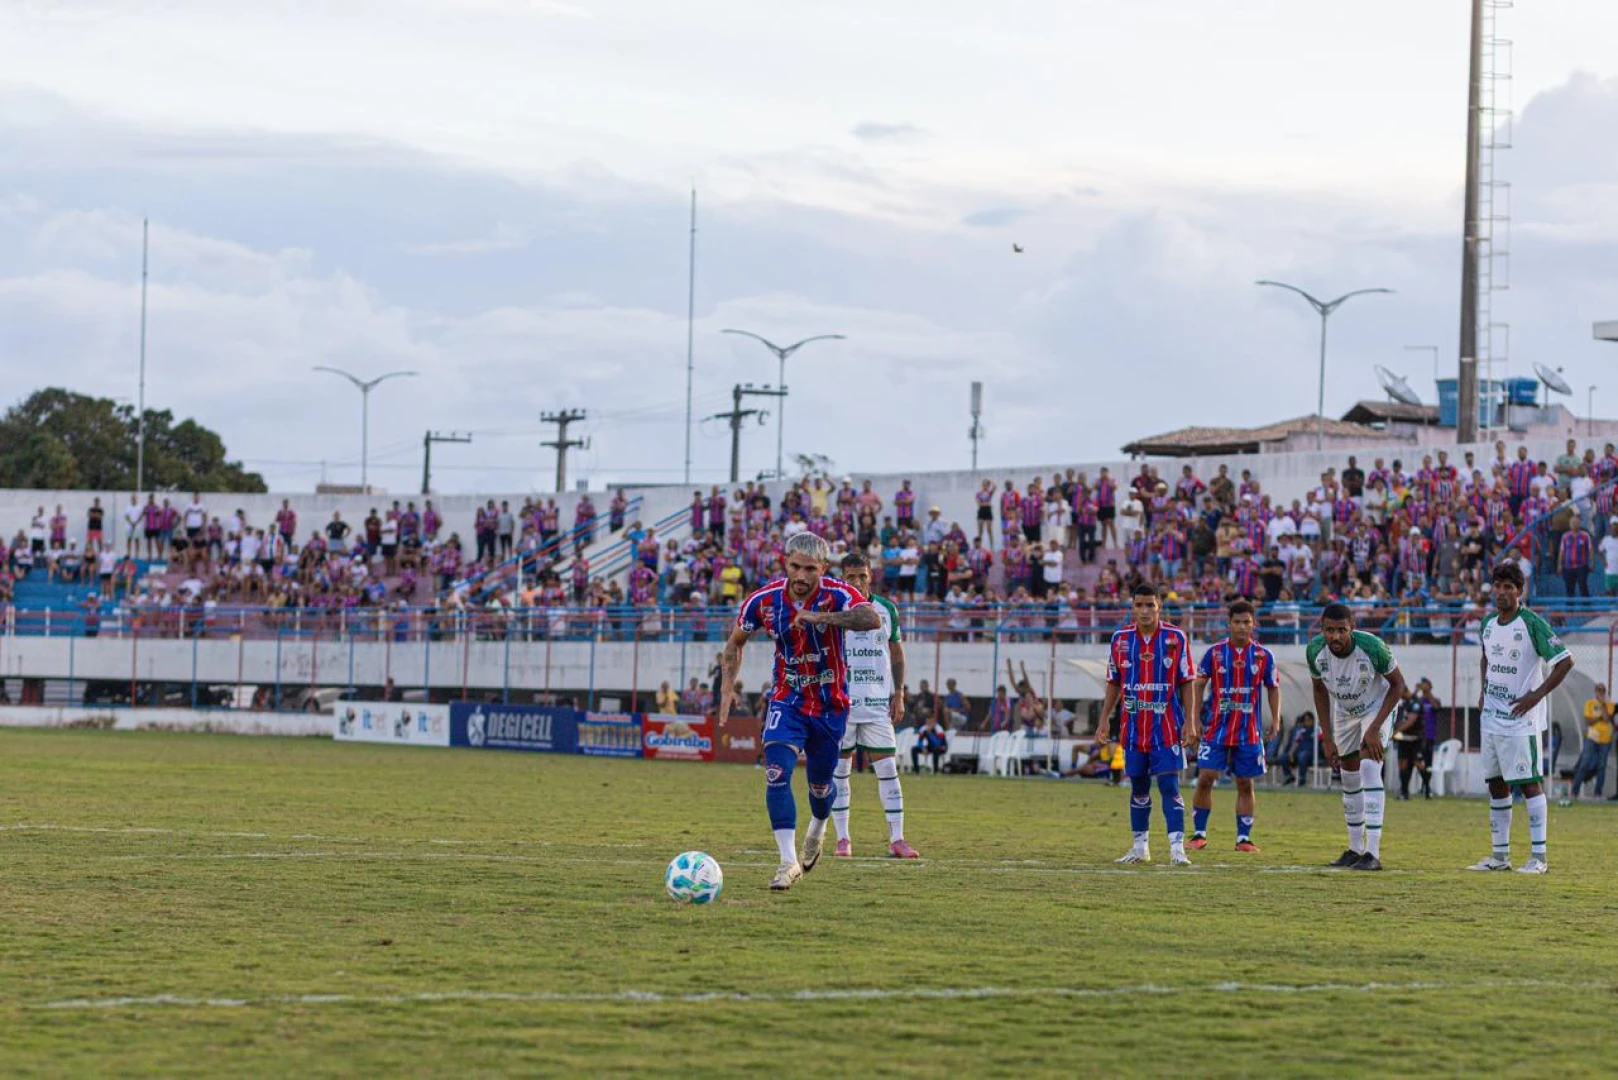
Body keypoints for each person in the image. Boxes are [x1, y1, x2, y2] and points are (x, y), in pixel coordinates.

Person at [719, 531, 879, 891]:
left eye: (810, 569)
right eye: (795, 567)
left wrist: (822, 618)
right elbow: (735, 643)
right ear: (784, 563)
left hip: (830, 706)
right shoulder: (763, 601)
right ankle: (787, 862)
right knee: (776, 773)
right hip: (787, 698)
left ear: (823, 567)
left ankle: (818, 829)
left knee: (820, 789)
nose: (802, 576)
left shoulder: (838, 593)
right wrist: (728, 688)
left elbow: (871, 619)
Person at [1466, 561, 1573, 874]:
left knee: (1529, 784)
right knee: (1496, 784)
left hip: (1520, 720)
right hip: (1491, 717)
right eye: (1497, 586)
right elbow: (1485, 657)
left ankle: (1539, 858)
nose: (1501, 592)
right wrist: (1484, 690)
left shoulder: (1532, 623)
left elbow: (1565, 662)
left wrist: (1535, 696)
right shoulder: (1487, 623)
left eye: (1508, 587)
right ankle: (1500, 857)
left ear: (1519, 591)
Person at [1094, 584, 1198, 866]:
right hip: (1133, 728)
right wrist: (1104, 720)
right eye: (1139, 605)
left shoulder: (1176, 638)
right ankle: (1140, 847)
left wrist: (1190, 722)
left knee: (1168, 784)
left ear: (1159, 606)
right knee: (1138, 786)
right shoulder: (1120, 639)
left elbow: (1187, 682)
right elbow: (1114, 682)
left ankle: (1177, 848)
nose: (1144, 610)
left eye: (1150, 605)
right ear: (1132, 607)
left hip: (1166, 727)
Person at [830, 552, 919, 859]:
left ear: (871, 577)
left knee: (889, 770)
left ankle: (897, 839)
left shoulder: (886, 609)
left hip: (878, 704)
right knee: (840, 773)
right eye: (850, 577)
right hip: (841, 705)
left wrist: (899, 693)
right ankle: (843, 838)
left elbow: (897, 654)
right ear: (842, 578)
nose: (856, 582)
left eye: (862, 576)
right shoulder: (834, 608)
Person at [1308, 603, 1408, 871]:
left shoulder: (1372, 647)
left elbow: (1398, 684)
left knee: (1369, 767)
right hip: (1344, 711)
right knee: (1349, 776)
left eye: (1342, 630)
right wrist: (1327, 737)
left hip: (1376, 708)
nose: (1336, 636)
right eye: (1330, 630)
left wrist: (1374, 728)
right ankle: (1354, 849)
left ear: (1352, 627)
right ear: (1322, 629)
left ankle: (1372, 853)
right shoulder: (1315, 651)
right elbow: (1319, 690)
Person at [1189, 601, 1280, 853]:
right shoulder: (1214, 653)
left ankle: (1243, 838)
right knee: (1206, 777)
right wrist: (1194, 719)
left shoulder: (1263, 655)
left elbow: (1273, 688)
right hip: (1216, 728)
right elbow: (1198, 684)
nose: (1241, 626)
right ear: (1228, 624)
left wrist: (1276, 719)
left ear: (1254, 624)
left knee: (1245, 783)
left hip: (1248, 731)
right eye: (1237, 622)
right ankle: (1199, 834)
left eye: (1246, 622)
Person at [1393, 678, 1440, 800]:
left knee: (1419, 764)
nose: (1400, 697)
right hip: (1403, 739)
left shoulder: (1416, 703)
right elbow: (1401, 719)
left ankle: (1427, 789)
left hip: (1416, 739)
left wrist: (1396, 731)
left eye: (1400, 694)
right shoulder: (1404, 704)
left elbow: (1410, 721)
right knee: (1403, 764)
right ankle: (1404, 792)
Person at [1572, 684, 1614, 799]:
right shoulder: (1589, 703)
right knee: (1584, 764)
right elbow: (1589, 721)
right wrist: (1599, 718)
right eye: (1599, 690)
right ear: (1595, 691)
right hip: (1592, 737)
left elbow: (1606, 719)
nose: (1601, 693)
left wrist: (1602, 705)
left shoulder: (1609, 704)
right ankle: (1574, 792)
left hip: (1605, 739)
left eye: (1603, 691)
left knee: (1601, 766)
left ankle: (1597, 793)